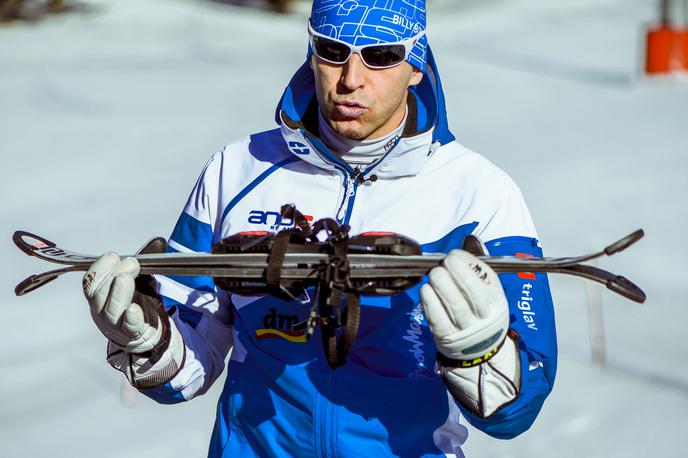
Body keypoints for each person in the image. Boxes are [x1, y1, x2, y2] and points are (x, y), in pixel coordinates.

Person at [81, 1, 557, 456]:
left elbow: (517, 412)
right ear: (311, 50)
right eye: (332, 51)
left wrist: (479, 356)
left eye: (381, 56)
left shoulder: (478, 194)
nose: (351, 79)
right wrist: (149, 340)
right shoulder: (238, 170)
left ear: (416, 65)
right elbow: (191, 363)